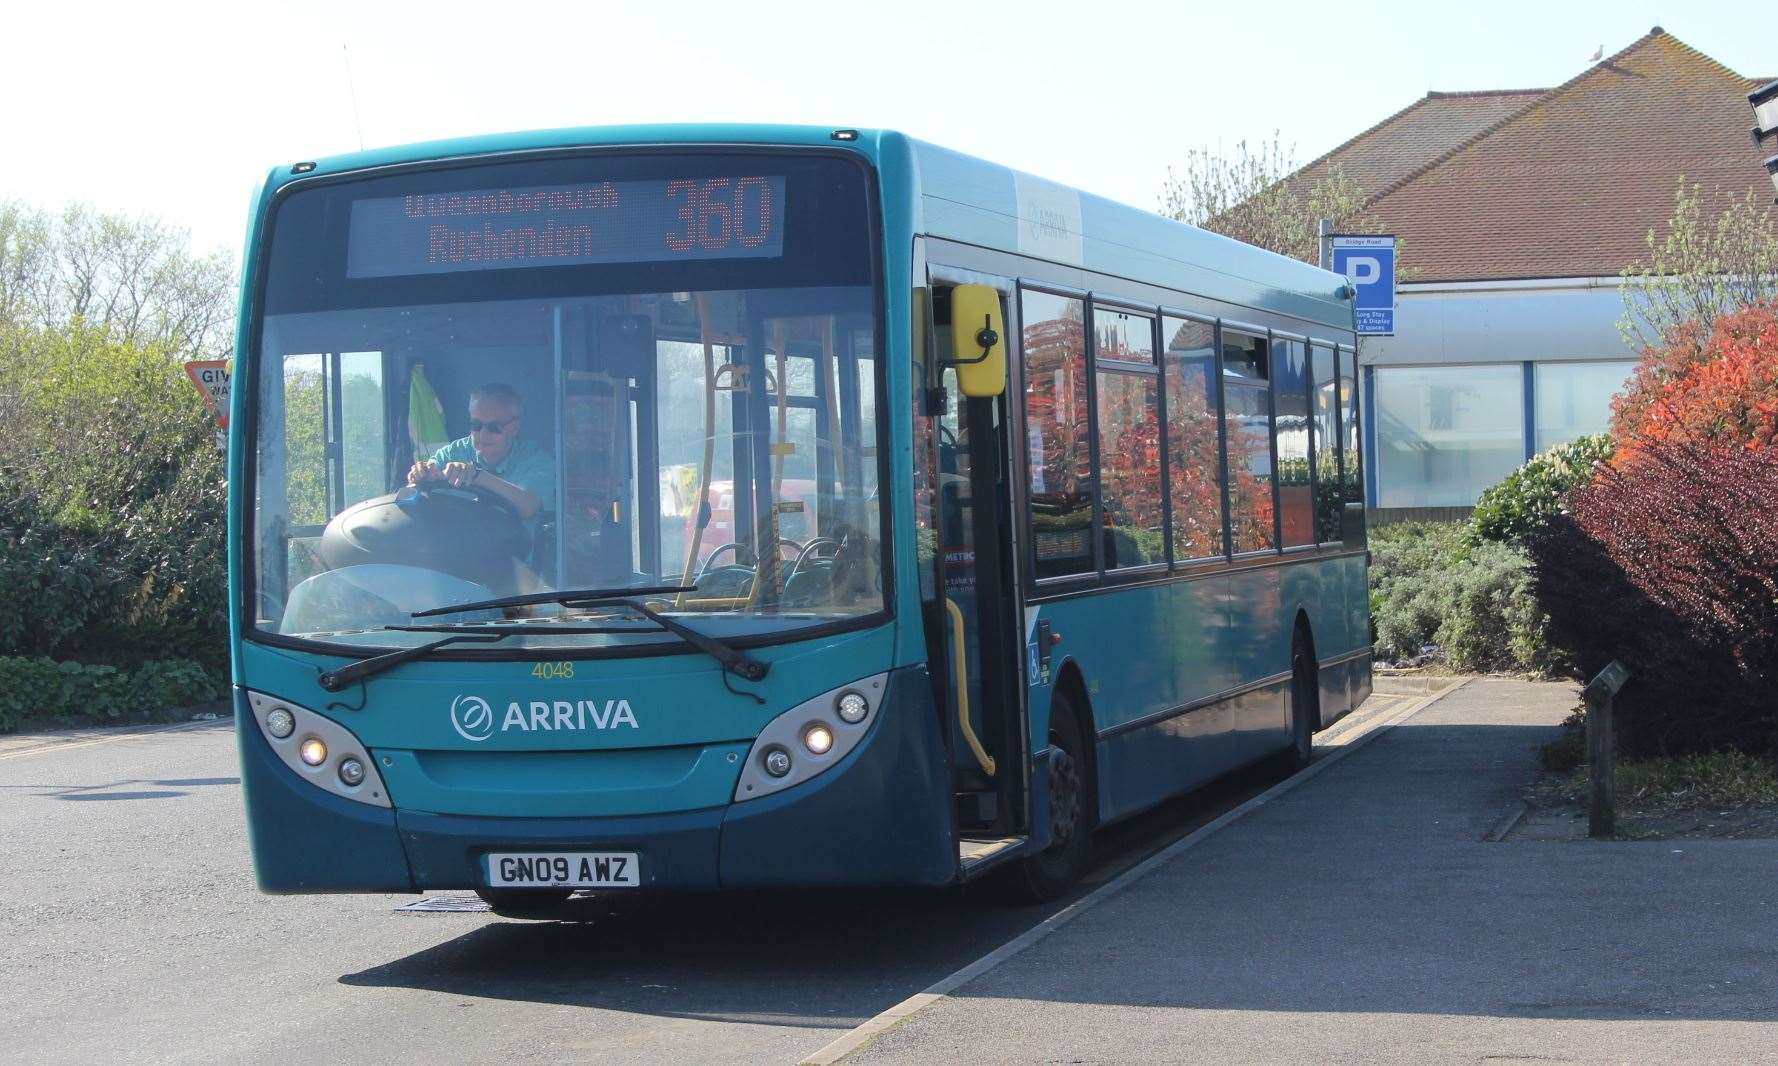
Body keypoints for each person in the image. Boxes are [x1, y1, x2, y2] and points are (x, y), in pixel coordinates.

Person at [407, 382, 555, 523]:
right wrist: (421, 476)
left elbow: (528, 507)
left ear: (515, 428)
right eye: (476, 425)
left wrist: (476, 474)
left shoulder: (537, 461)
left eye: (494, 427)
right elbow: (414, 499)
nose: (483, 435)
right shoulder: (451, 454)